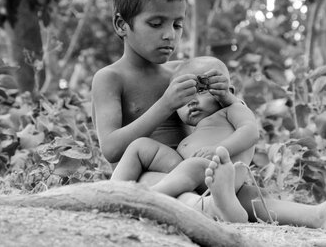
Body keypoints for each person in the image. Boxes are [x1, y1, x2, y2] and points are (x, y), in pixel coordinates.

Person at [91, 0, 326, 231]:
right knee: (180, 194)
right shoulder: (111, 78)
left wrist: (225, 96)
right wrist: (166, 103)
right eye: (156, 24)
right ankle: (212, 207)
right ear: (121, 25)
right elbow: (112, 149)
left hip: (198, 170)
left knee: (248, 194)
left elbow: (219, 123)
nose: (169, 35)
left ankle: (321, 215)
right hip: (148, 176)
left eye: (177, 25)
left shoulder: (184, 72)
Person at [110, 56, 259, 222]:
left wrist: (219, 148)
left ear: (225, 90)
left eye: (201, 90)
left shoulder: (233, 109)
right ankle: (112, 192)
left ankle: (148, 199)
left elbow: (251, 132)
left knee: (192, 165)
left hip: (217, 173)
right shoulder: (200, 128)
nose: (192, 101)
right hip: (188, 173)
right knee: (140, 146)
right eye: (184, 97)